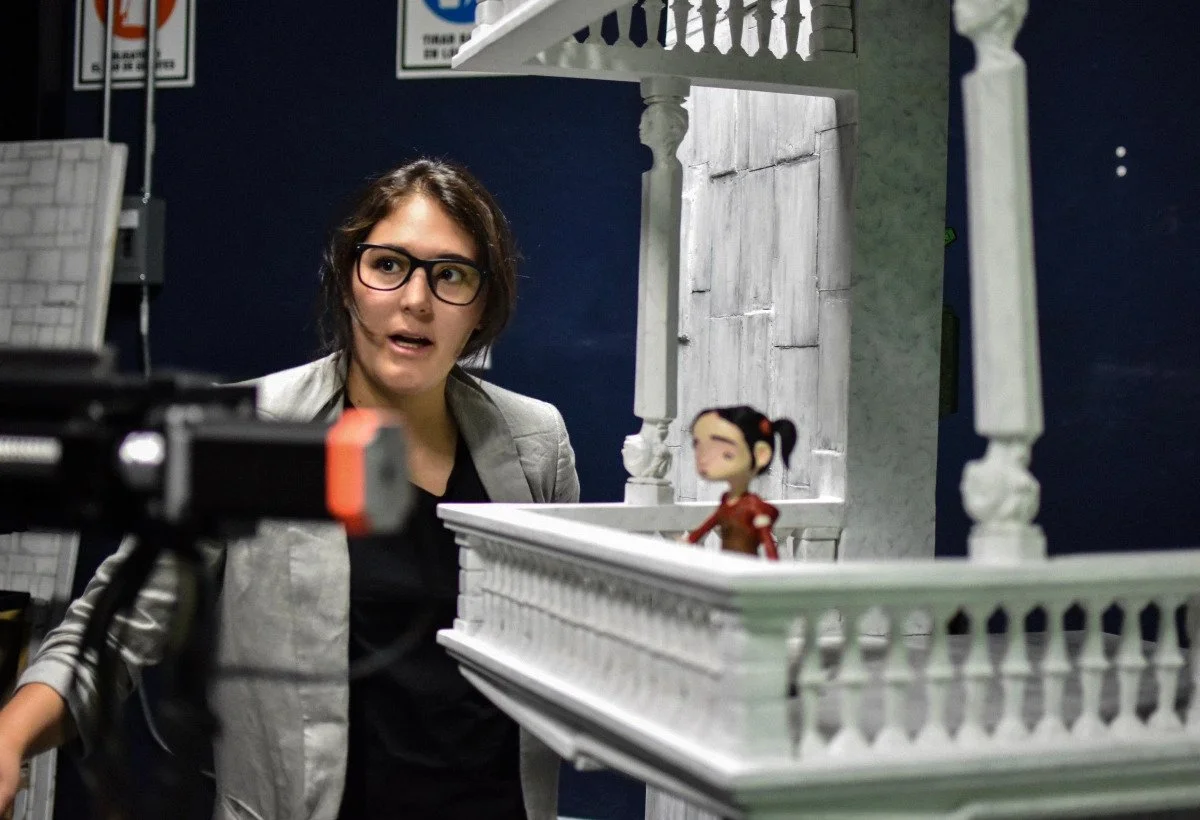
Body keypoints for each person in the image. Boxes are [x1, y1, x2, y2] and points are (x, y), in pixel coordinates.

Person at [0, 158, 579, 820]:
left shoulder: (535, 443)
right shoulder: (253, 431)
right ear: (348, 283)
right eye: (389, 265)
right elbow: (114, 631)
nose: (416, 299)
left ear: (481, 308)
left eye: (451, 275)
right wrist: (9, 738)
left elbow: (572, 646)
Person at [684, 405, 796, 560]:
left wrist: (773, 565)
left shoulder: (753, 506)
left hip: (746, 566)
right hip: (727, 565)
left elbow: (767, 540)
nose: (703, 458)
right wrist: (690, 539)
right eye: (698, 446)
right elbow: (709, 524)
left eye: (726, 454)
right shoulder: (726, 501)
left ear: (761, 455)